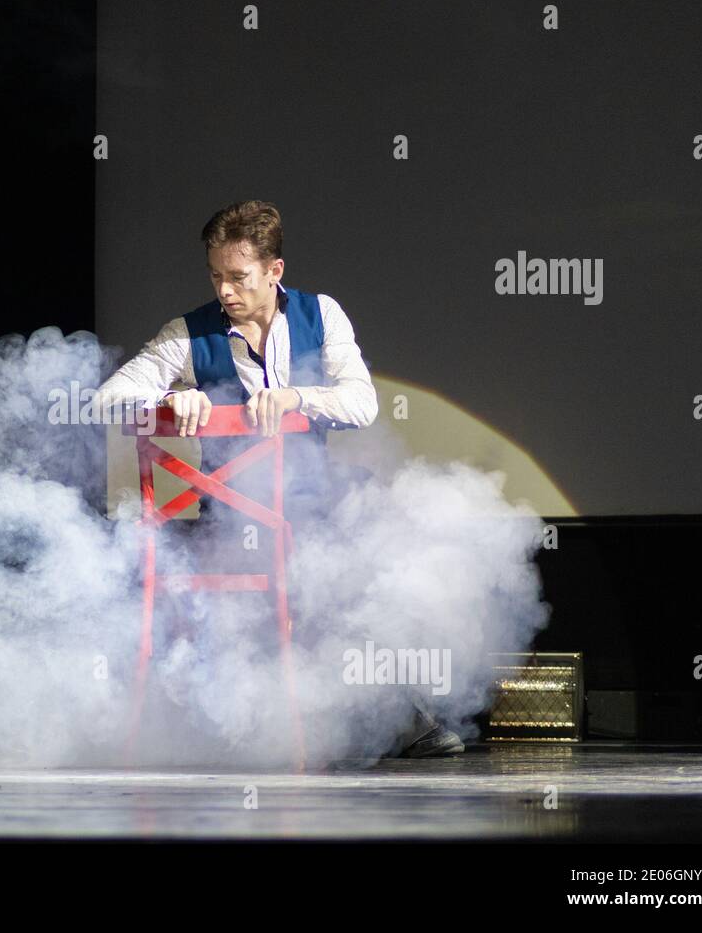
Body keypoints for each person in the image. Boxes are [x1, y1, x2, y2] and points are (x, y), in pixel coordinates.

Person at [97, 200, 462, 758]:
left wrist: (297, 397)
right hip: (230, 522)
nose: (225, 291)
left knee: (367, 547)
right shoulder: (185, 336)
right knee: (320, 557)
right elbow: (108, 400)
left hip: (312, 504)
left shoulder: (322, 315)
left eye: (238, 277)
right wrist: (171, 398)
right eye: (216, 276)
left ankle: (380, 716)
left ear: (275, 271)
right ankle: (304, 725)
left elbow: (361, 402)